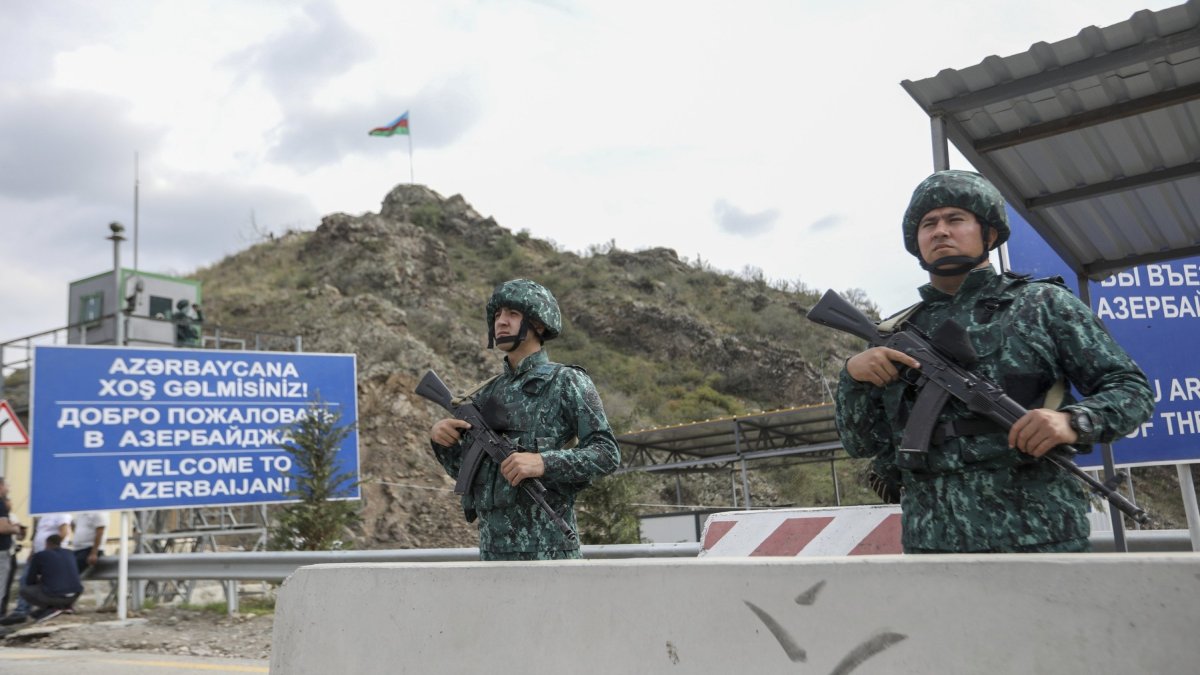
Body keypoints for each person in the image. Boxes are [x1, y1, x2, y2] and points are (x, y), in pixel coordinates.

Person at [834, 170, 1154, 554]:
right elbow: (860, 443)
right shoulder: (899, 329)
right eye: (928, 224)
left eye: (955, 219)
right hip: (932, 541)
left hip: (1038, 534)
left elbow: (1132, 390)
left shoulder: (1042, 305)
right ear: (916, 240)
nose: (940, 232)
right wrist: (853, 376)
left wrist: (1072, 421)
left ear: (988, 232)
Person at [429, 279, 620, 561]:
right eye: (497, 315)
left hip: (551, 554)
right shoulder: (486, 393)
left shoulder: (566, 382)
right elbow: (468, 474)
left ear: (538, 324)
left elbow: (607, 453)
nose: (501, 322)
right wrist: (444, 442)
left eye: (513, 314)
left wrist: (543, 462)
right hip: (493, 555)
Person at [0, 511, 71, 625]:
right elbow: (39, 535)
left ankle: (25, 610)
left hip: (50, 555)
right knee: (26, 580)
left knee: (38, 582)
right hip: (38, 555)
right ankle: (22, 611)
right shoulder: (43, 515)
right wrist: (32, 552)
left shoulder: (60, 513)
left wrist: (52, 550)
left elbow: (64, 532)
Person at [19, 534, 82, 623]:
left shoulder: (40, 555)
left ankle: (53, 608)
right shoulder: (70, 553)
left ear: (47, 544)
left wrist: (41, 581)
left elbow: (30, 580)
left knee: (24, 591)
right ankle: (66, 606)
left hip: (56, 596)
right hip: (75, 594)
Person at [0, 478, 27, 617]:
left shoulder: (11, 514)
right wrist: (15, 529)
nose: (9, 489)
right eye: (7, 485)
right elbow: (3, 528)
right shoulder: (1, 505)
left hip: (9, 551)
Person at [71, 511, 109, 576]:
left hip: (89, 549)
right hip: (78, 549)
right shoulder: (80, 513)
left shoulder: (97, 513)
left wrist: (94, 553)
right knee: (67, 567)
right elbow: (73, 523)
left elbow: (100, 531)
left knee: (72, 571)